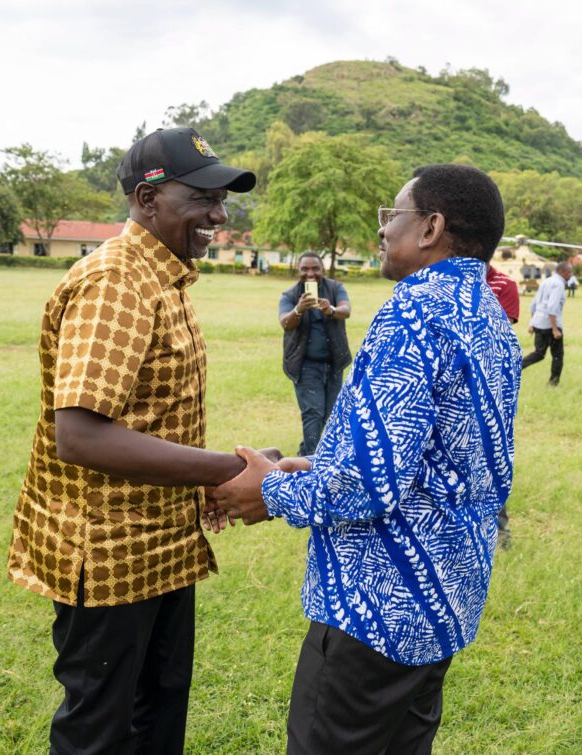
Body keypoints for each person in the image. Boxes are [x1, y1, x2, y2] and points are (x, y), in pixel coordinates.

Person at [211, 164, 522, 753]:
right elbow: (449, 457)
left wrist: (269, 491)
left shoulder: (415, 313)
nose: (382, 229)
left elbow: (367, 484)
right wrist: (315, 463)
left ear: (430, 227)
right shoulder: (488, 317)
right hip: (447, 597)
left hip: (378, 607)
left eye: (391, 215)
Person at [7, 127, 258, 755]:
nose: (219, 216)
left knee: (160, 705)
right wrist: (227, 469)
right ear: (148, 199)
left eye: (221, 200)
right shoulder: (116, 282)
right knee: (100, 726)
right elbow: (81, 436)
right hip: (109, 550)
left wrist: (217, 472)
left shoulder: (163, 278)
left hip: (164, 542)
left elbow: (152, 417)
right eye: (203, 198)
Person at [279, 252, 351, 455]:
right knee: (313, 413)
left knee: (331, 414)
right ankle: (311, 461)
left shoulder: (335, 288)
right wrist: (298, 310)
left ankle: (306, 453)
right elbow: (285, 322)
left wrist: (331, 310)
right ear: (298, 270)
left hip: (334, 364)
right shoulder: (290, 295)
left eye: (315, 269)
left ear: (322, 269)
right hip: (306, 366)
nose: (310, 273)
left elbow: (346, 310)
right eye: (305, 269)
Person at [486, 264, 520, 547]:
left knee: (491, 459)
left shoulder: (503, 284)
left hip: (488, 387)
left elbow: (498, 333)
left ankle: (500, 531)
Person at [522, 261, 572, 386]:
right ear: (563, 272)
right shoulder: (558, 284)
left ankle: (514, 368)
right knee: (557, 355)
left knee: (539, 353)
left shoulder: (546, 281)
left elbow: (534, 304)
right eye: (569, 272)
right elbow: (552, 307)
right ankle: (553, 384)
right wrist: (555, 329)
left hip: (538, 323)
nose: (571, 275)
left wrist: (532, 323)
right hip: (550, 325)